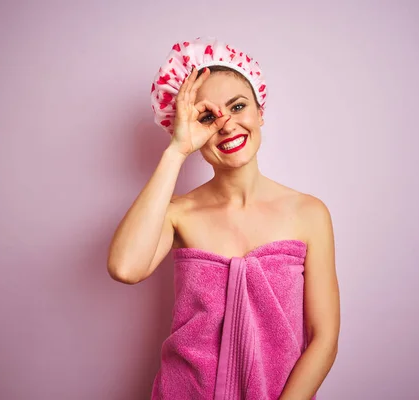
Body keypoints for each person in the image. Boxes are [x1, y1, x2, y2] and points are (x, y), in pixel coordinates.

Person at [108, 37, 340, 400]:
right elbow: (125, 268)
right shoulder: (178, 213)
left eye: (238, 106)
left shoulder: (308, 213)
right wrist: (177, 150)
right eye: (206, 117)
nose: (227, 125)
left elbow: (323, 338)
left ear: (260, 112)